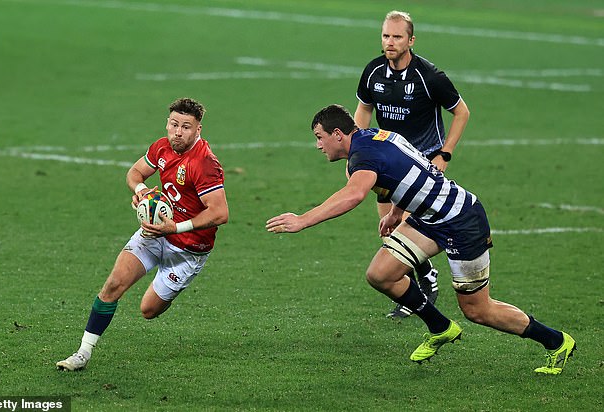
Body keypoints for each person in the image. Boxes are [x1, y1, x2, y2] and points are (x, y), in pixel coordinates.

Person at [266, 104, 575, 374]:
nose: (318, 145)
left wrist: (302, 220)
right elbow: (407, 169)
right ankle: (440, 327)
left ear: (337, 134)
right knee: (381, 274)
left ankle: (556, 341)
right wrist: (397, 212)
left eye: (319, 137)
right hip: (429, 218)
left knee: (478, 310)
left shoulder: (363, 156)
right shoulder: (375, 136)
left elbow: (354, 195)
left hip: (461, 221)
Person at [57, 98, 229, 371]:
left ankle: (170, 284)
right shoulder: (161, 147)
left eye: (186, 127)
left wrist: (176, 227)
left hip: (188, 249)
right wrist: (142, 192)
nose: (178, 132)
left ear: (198, 130)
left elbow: (220, 213)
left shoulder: (205, 163)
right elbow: (135, 173)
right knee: (113, 286)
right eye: (174, 124)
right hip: (153, 234)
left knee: (148, 311)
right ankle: (82, 353)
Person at [355, 10, 470, 318]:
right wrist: (359, 147)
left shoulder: (429, 76)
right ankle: (427, 276)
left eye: (397, 37)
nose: (390, 42)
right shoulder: (373, 72)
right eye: (386, 36)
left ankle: (418, 290)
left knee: (405, 226)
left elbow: (462, 112)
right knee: (388, 232)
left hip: (422, 163)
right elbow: (364, 109)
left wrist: (444, 154)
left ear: (410, 40)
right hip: (385, 161)